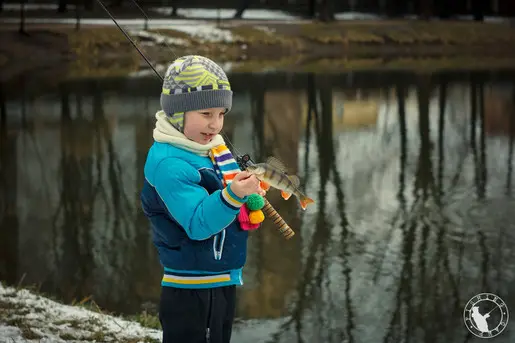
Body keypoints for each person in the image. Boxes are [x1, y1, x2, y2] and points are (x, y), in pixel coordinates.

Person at [140, 55, 265, 343]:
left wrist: (246, 194)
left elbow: (223, 198)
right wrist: (233, 195)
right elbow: (197, 223)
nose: (216, 125)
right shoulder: (169, 164)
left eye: (221, 114)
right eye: (206, 114)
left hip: (220, 276)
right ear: (177, 114)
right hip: (190, 287)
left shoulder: (207, 149)